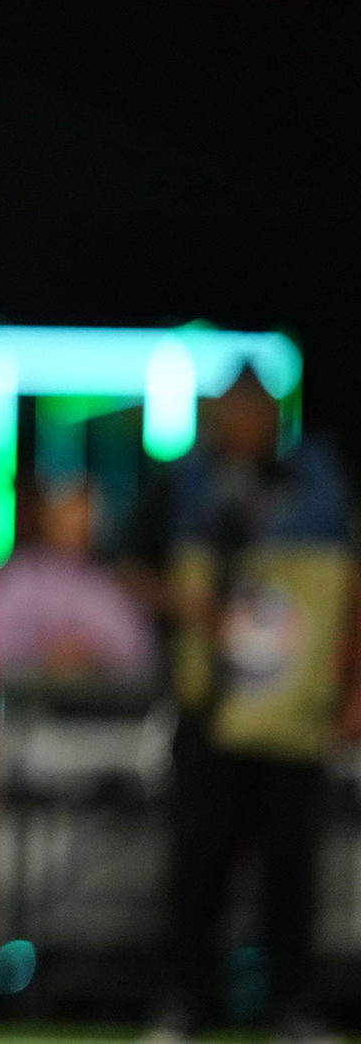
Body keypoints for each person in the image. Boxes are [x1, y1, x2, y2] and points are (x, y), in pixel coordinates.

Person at [133, 367, 361, 1044]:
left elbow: (352, 588)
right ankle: (179, 1004)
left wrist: (353, 691)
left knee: (292, 866)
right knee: (198, 861)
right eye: (230, 408)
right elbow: (130, 565)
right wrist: (190, 604)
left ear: (273, 414)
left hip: (295, 715)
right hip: (210, 709)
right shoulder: (184, 483)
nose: (241, 420)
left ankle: (290, 1006)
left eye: (252, 408)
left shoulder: (318, 483)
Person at [0, 480, 156, 682]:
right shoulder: (19, 578)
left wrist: (92, 652)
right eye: (68, 517)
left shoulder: (104, 584)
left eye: (85, 520)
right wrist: (43, 655)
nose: (77, 528)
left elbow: (140, 652)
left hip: (92, 705)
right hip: (24, 702)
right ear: (47, 518)